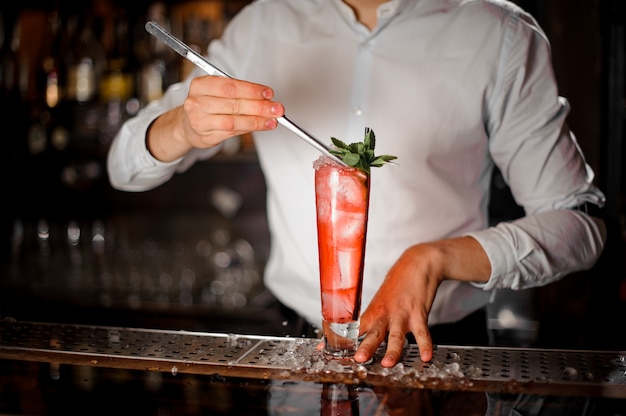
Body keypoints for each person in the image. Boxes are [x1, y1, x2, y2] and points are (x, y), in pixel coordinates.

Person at [107, 0, 606, 368]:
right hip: (295, 350)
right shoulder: (263, 24)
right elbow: (123, 165)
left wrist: (438, 258)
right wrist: (184, 127)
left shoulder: (499, 34)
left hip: (442, 350)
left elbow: (581, 225)